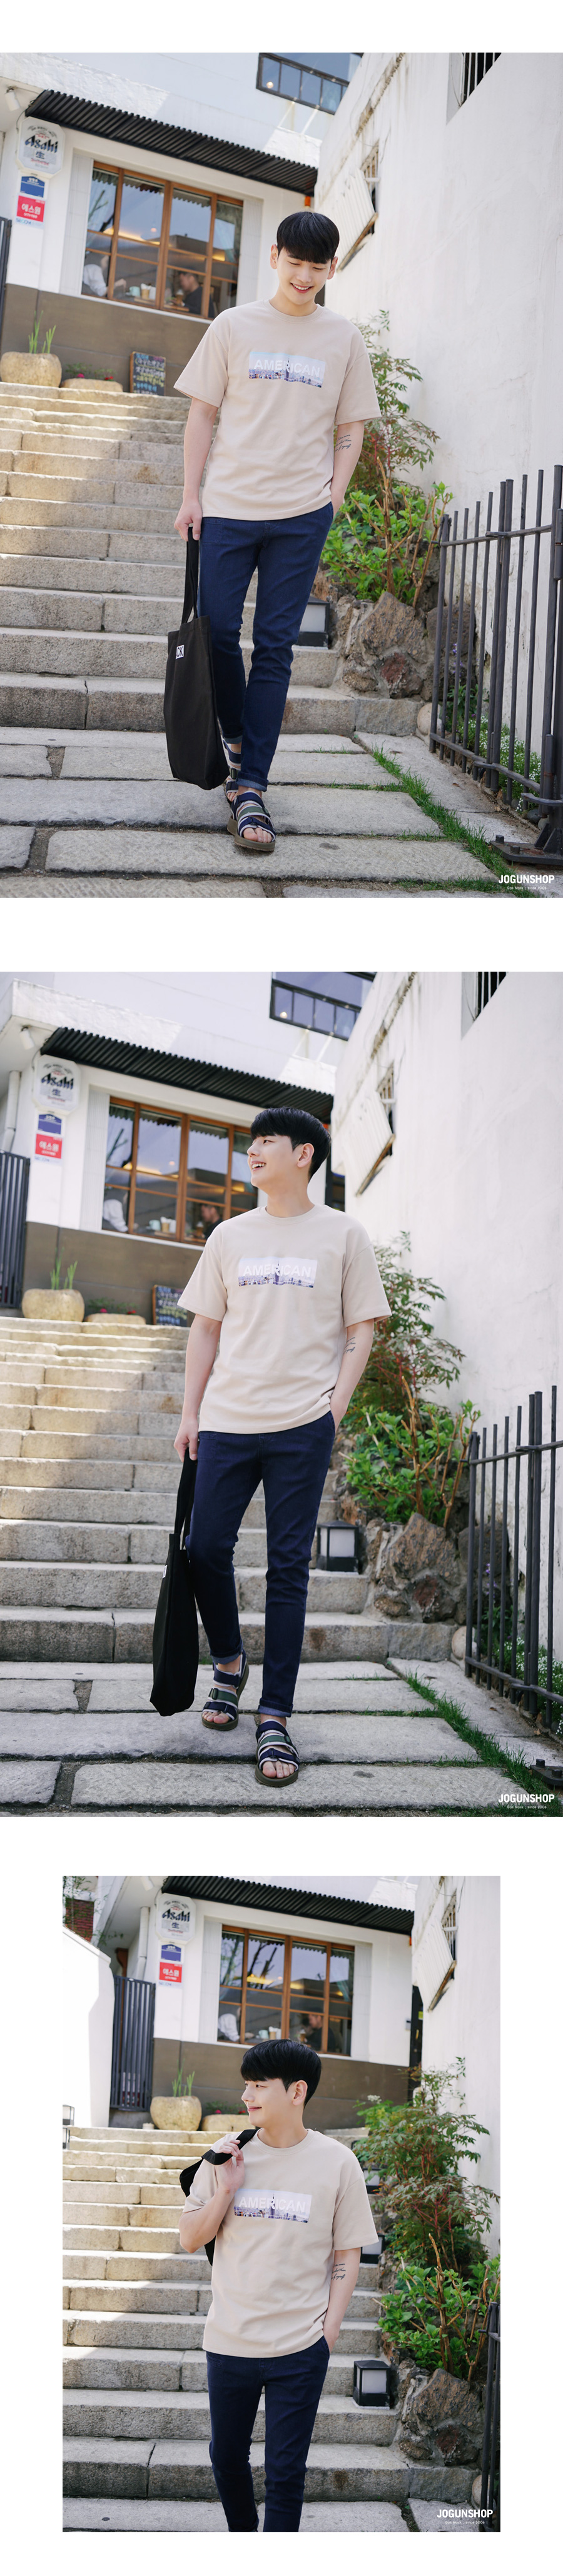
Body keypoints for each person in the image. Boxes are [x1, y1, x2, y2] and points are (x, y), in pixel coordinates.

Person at [174, 1101, 390, 1784]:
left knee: (288, 1568)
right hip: (227, 1420)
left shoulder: (344, 1234)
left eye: (268, 1139)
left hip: (302, 1424)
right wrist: (190, 1412)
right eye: (252, 1141)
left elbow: (363, 1327)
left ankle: (275, 1715)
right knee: (206, 1547)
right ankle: (229, 1661)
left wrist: (335, 1408)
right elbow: (206, 1328)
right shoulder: (229, 1236)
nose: (254, 1149)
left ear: (304, 1154)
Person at [173, 208, 378, 853]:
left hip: (300, 517)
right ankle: (238, 737)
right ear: (275, 258)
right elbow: (202, 415)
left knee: (275, 647)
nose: (305, 276)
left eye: (317, 266)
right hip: (229, 509)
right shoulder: (234, 326)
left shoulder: (343, 338)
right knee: (215, 633)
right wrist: (191, 495)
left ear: (332, 268)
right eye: (296, 263)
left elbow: (352, 428)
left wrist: (333, 497)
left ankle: (251, 784)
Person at [178, 2035, 378, 2532]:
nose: (246, 2096)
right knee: (227, 2458)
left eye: (259, 2085)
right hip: (230, 2340)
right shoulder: (225, 2157)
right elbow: (190, 2238)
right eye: (246, 2084)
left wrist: (328, 2334)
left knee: (287, 2471)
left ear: (296, 2091)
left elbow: (348, 2254)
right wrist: (225, 2192)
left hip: (300, 2347)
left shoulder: (338, 2163)